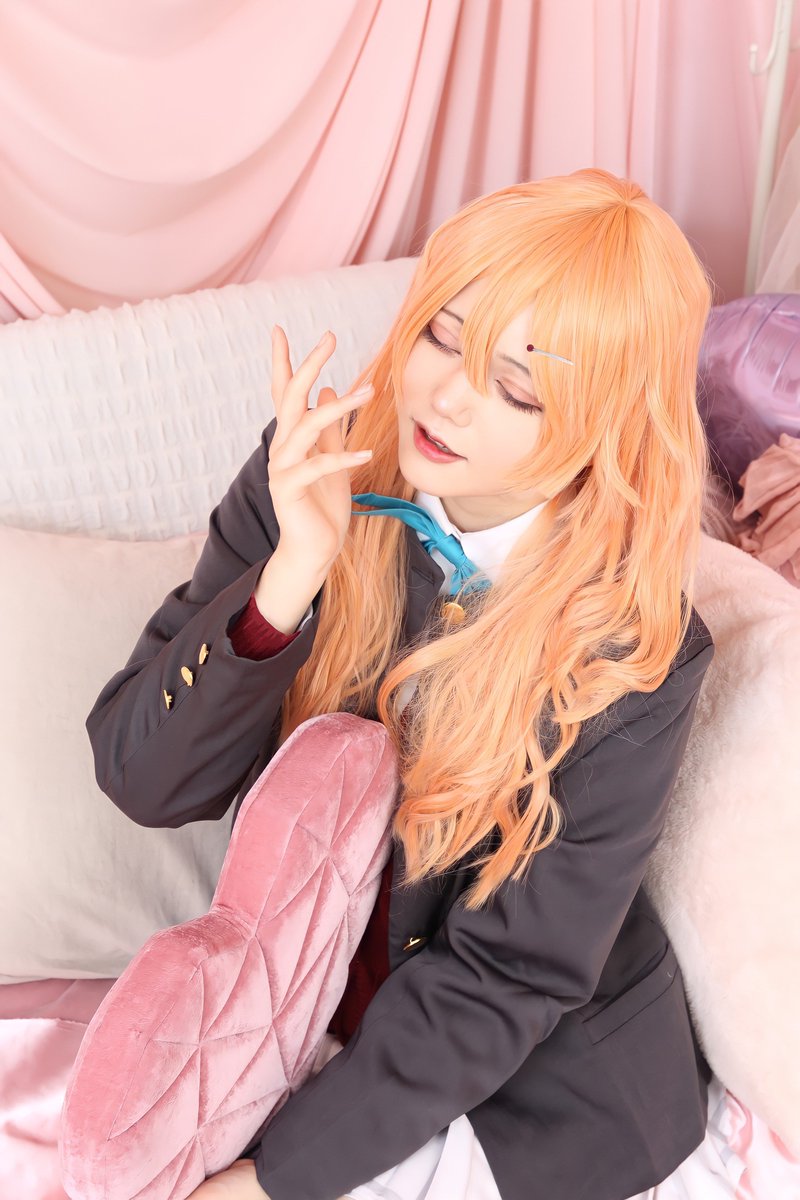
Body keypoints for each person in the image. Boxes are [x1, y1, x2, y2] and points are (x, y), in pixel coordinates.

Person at [85, 168, 720, 1200]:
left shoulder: (636, 649)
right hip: (298, 1015)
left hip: (530, 1092)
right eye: (440, 335)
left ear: (607, 423)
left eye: (519, 387)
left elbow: (507, 978)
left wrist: (270, 1182)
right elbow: (140, 779)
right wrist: (287, 583)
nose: (447, 397)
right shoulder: (314, 474)